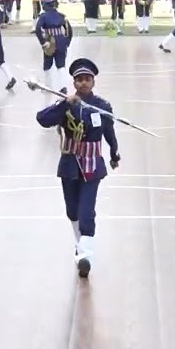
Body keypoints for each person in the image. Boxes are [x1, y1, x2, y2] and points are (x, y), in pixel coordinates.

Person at [35, 58, 121, 278]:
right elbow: (42, 119)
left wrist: (114, 153)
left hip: (92, 165)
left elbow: (109, 132)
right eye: (79, 80)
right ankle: (80, 246)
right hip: (70, 164)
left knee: (86, 212)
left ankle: (86, 256)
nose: (83, 83)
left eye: (87, 79)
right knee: (72, 210)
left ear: (93, 82)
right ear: (74, 82)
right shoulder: (66, 103)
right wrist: (65, 104)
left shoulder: (102, 106)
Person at [33, 0, 72, 92]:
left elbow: (38, 29)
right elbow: (69, 29)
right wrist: (67, 42)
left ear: (45, 6)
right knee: (61, 66)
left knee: (47, 66)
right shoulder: (61, 15)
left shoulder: (43, 16)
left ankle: (48, 86)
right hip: (61, 41)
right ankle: (63, 87)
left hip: (50, 41)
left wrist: (43, 42)